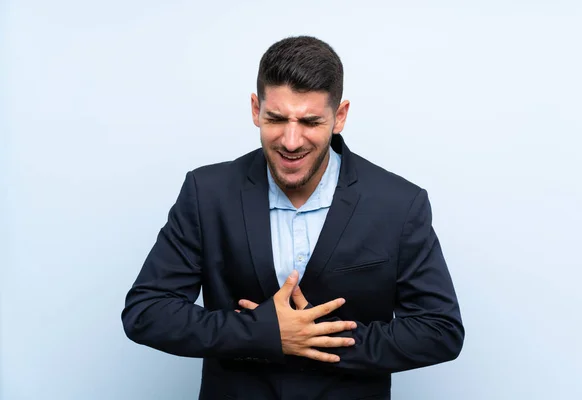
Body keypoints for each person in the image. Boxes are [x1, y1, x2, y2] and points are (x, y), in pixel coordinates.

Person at [122, 35, 464, 400]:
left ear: (340, 116)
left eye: (309, 121)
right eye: (276, 118)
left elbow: (440, 330)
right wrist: (263, 333)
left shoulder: (398, 203)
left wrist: (320, 339)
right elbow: (147, 312)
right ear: (256, 109)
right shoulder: (206, 192)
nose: (290, 140)